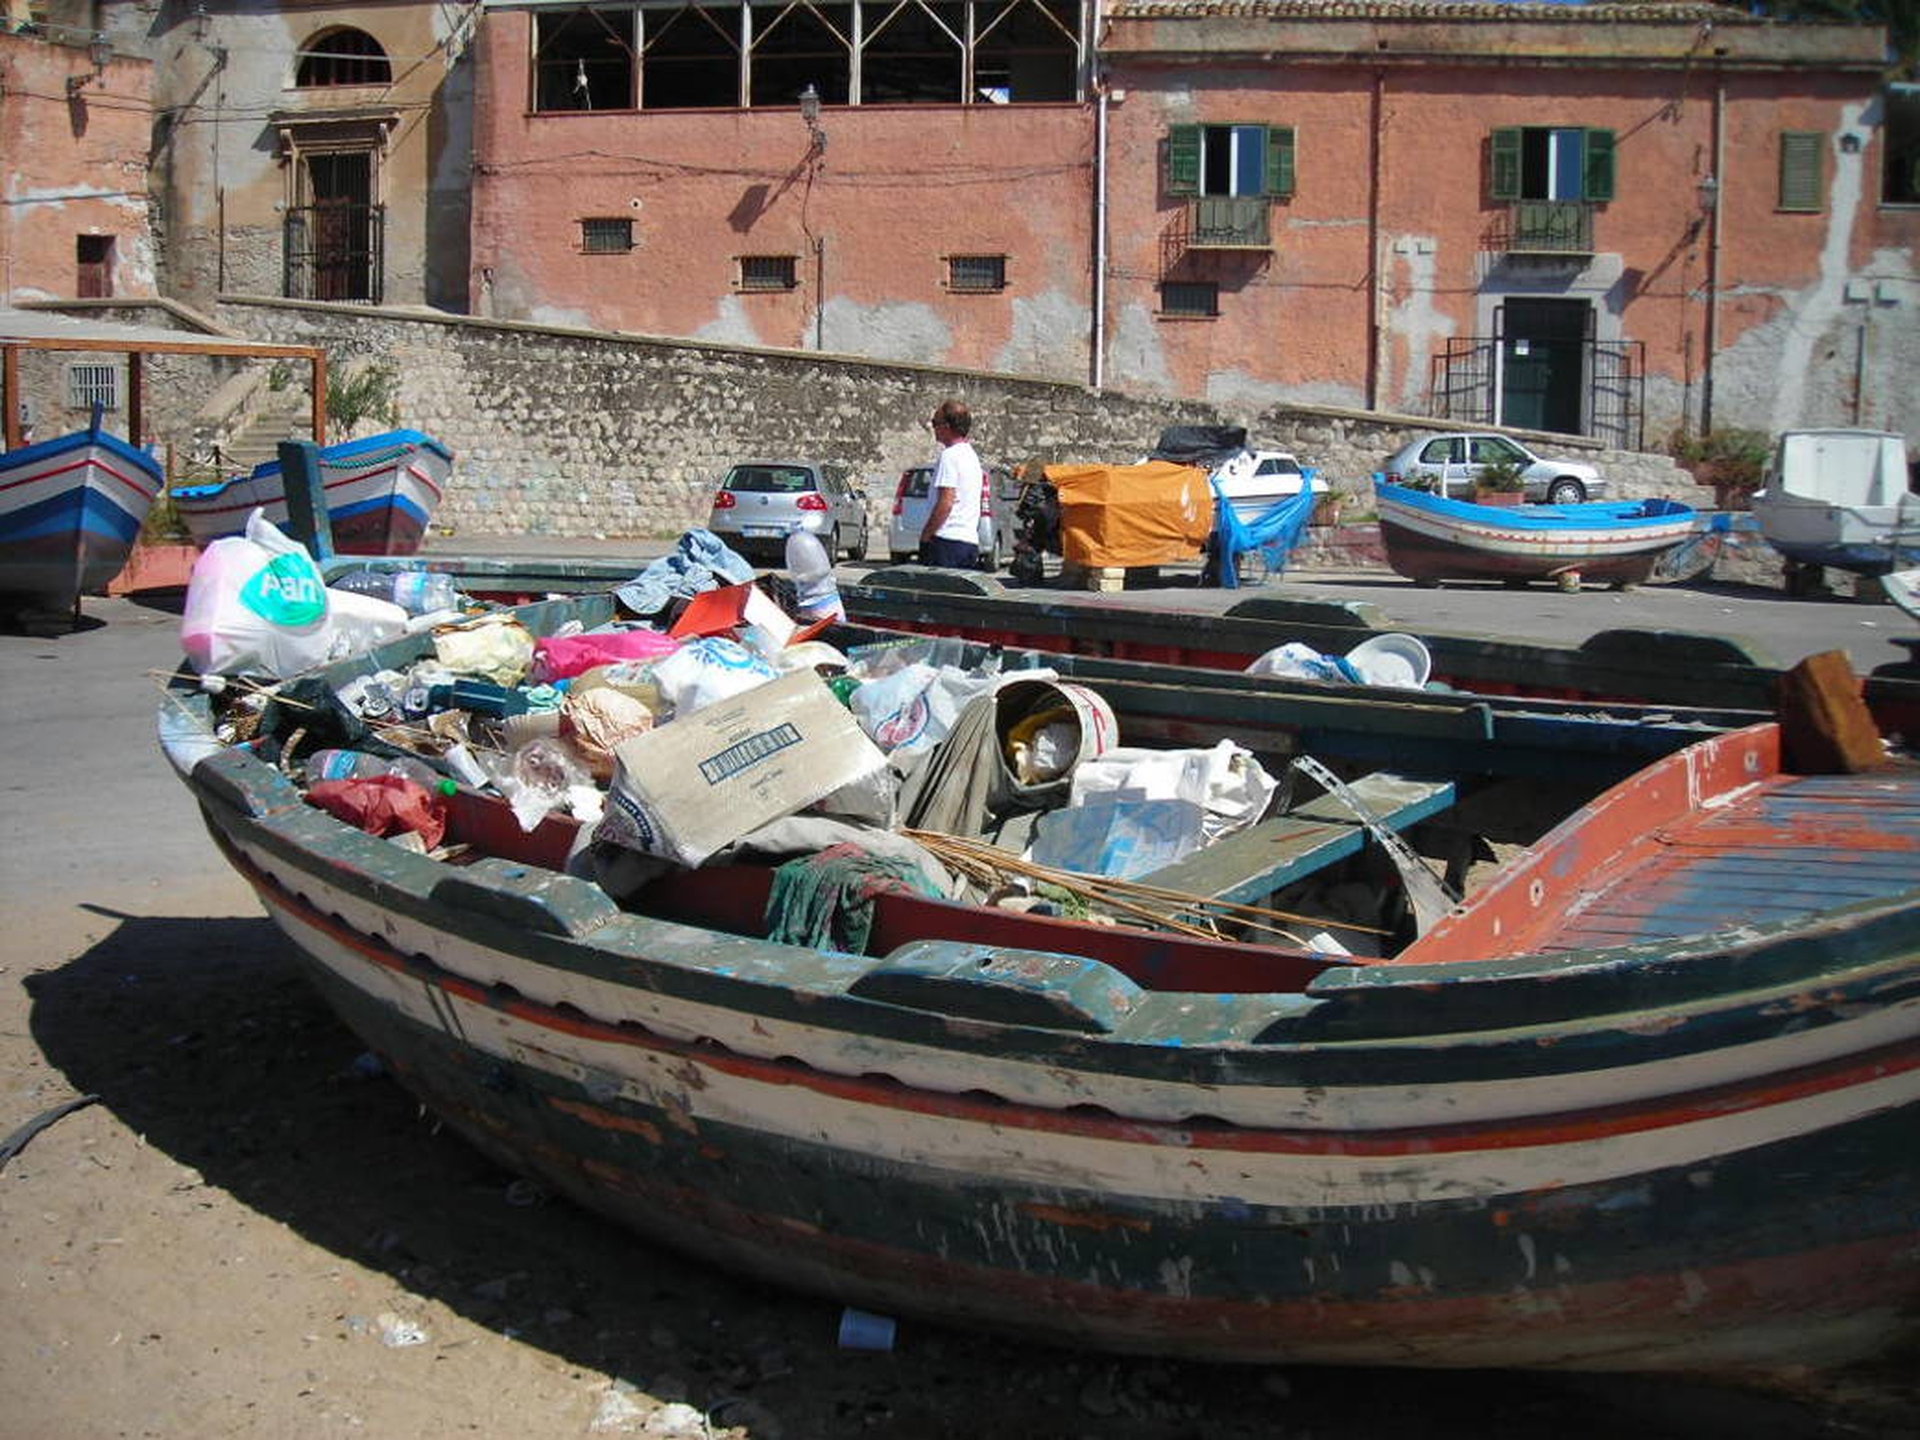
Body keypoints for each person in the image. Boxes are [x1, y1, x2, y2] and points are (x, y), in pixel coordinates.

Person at [918, 398, 983, 570]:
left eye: (935, 422)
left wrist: (926, 534)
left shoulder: (949, 456)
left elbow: (946, 502)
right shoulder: (972, 457)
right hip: (968, 541)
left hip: (946, 541)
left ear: (946, 426)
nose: (933, 428)